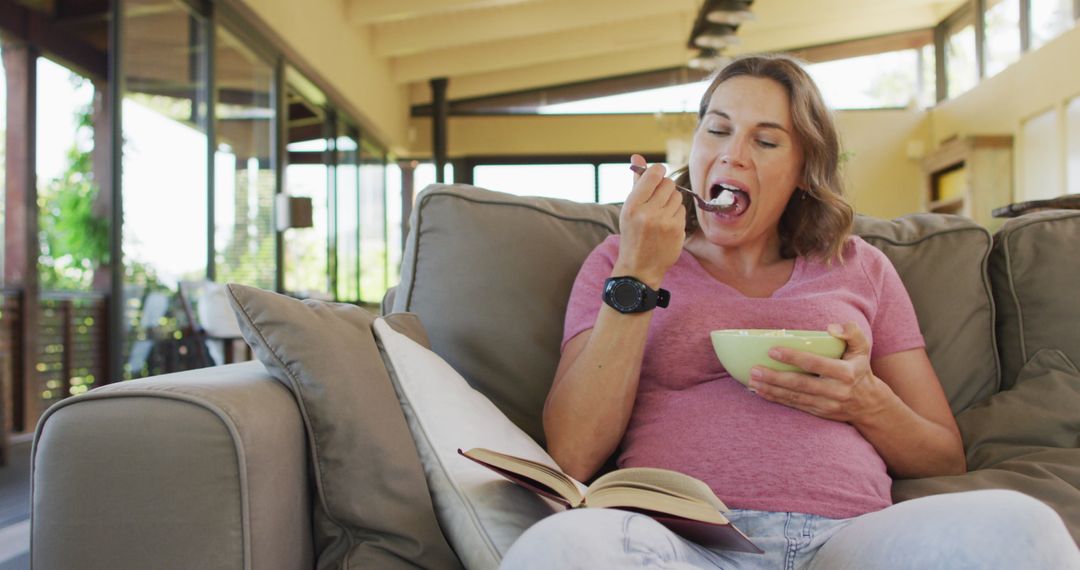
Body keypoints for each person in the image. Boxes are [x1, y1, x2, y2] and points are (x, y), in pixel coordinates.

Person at [499, 54, 1080, 569]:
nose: (732, 154)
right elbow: (573, 453)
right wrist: (639, 275)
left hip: (850, 542)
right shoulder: (622, 259)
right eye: (717, 130)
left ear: (803, 170)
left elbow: (944, 456)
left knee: (1026, 530)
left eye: (766, 140)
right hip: (678, 542)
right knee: (559, 549)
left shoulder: (861, 266)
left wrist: (865, 400)